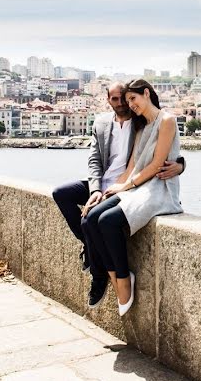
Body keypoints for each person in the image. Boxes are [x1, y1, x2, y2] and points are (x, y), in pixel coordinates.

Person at [51, 82, 183, 302]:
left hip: (128, 184)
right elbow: (94, 160)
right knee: (61, 193)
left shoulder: (140, 121)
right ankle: (92, 246)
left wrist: (180, 165)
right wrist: (95, 190)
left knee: (90, 220)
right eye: (116, 99)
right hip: (104, 183)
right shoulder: (101, 123)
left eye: (127, 98)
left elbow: (162, 152)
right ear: (108, 100)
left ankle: (98, 274)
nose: (123, 103)